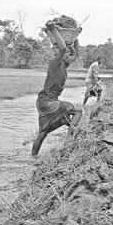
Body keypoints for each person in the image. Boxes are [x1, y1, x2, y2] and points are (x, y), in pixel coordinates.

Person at [32, 25, 83, 156]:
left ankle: (33, 157)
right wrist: (53, 29)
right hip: (48, 102)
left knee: (43, 133)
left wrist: (75, 37)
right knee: (78, 110)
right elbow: (62, 48)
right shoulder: (55, 63)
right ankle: (70, 142)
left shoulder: (64, 66)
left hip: (43, 102)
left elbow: (76, 53)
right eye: (67, 55)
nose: (69, 57)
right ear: (59, 55)